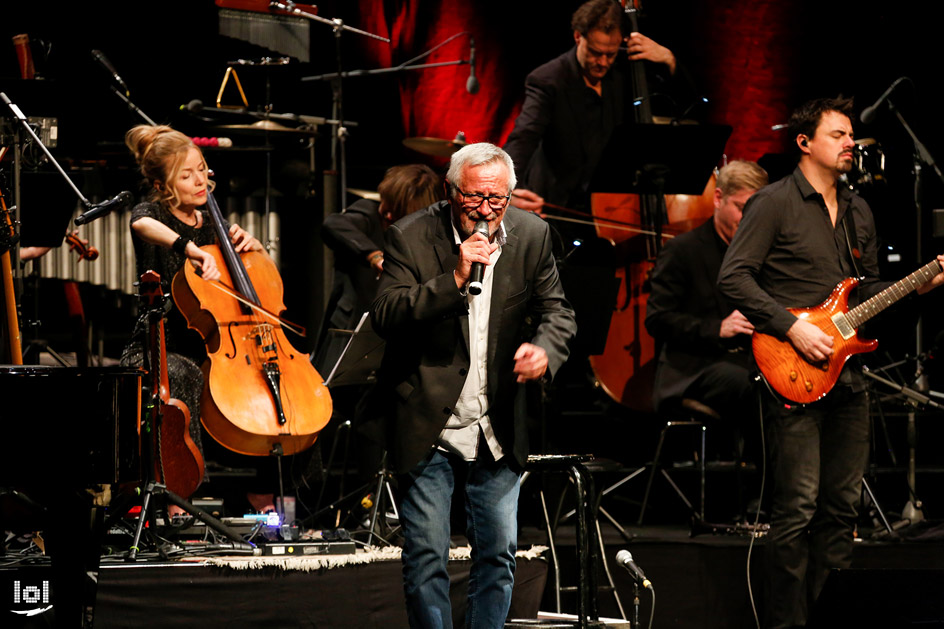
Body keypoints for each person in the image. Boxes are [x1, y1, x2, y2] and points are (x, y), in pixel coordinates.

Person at [718, 97, 944, 628]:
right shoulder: (773, 203)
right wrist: (790, 325)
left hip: (850, 374)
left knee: (841, 510)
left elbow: (860, 292)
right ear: (805, 143)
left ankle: (825, 617)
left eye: (851, 136)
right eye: (839, 135)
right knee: (796, 509)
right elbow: (734, 278)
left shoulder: (858, 209)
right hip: (791, 366)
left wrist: (919, 283)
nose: (851, 144)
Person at [370, 143, 576, 628]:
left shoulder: (532, 234)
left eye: (498, 200)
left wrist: (545, 348)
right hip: (429, 419)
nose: (486, 211)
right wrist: (454, 277)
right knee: (426, 558)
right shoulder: (411, 236)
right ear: (451, 189)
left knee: (498, 555)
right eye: (475, 198)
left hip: (497, 418)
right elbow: (386, 314)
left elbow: (557, 311)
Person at [121, 124, 270, 511]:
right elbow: (139, 222)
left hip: (212, 342)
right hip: (158, 344)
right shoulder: (152, 213)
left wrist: (254, 251)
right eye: (186, 175)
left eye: (202, 169)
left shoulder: (213, 223)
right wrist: (189, 248)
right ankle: (182, 498)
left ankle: (266, 488)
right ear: (162, 183)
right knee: (187, 374)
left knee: (268, 378)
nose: (199, 180)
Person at [504, 0, 686, 213]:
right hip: (558, 205)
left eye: (610, 54)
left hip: (612, 208)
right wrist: (506, 186)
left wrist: (669, 60)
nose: (602, 62)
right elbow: (524, 136)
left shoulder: (624, 73)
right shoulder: (548, 80)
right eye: (594, 52)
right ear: (578, 37)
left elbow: (685, 105)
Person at [646, 160, 768, 420]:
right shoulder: (682, 250)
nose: (748, 220)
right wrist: (718, 328)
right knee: (758, 387)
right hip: (694, 369)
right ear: (718, 198)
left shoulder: (763, 254)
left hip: (748, 361)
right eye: (741, 208)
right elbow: (658, 321)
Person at [321, 164, 442, 336]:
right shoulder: (370, 212)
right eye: (387, 202)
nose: (388, 214)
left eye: (398, 211)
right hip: (351, 325)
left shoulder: (424, 232)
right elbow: (333, 224)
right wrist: (375, 256)